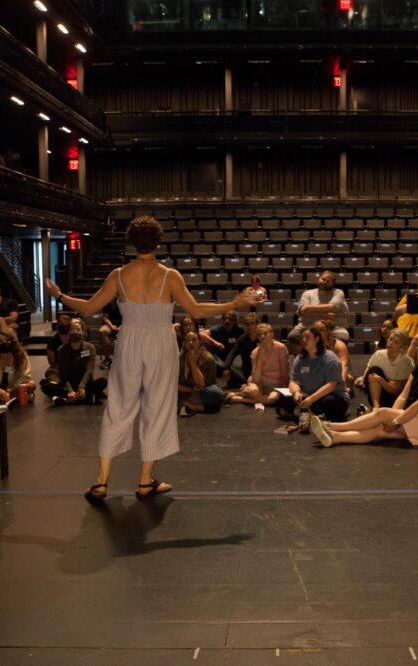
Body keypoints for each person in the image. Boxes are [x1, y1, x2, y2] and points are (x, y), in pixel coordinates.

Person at [45, 215, 260, 503]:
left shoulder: (118, 275)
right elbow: (196, 311)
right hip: (160, 342)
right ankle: (145, 482)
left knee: (118, 407)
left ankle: (101, 483)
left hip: (129, 341)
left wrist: (60, 295)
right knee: (157, 408)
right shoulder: (170, 276)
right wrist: (236, 303)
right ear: (158, 242)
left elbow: (89, 307)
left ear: (131, 242)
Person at [309, 332, 418, 448]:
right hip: (416, 418)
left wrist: (396, 421)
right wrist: (392, 418)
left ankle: (331, 426)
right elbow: (403, 396)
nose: (417, 348)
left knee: (382, 412)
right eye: (417, 345)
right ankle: (335, 437)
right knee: (379, 429)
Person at [278, 326, 350, 422]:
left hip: (331, 396)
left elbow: (331, 385)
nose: (304, 340)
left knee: (330, 402)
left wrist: (311, 399)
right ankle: (309, 413)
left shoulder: (330, 358)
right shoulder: (300, 358)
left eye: (307, 337)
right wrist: (296, 393)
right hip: (308, 397)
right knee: (282, 398)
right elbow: (293, 381)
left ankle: (300, 412)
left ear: (317, 339)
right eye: (302, 337)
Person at [43, 319, 108, 406]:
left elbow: (89, 371)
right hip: (68, 385)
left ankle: (68, 400)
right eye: (72, 330)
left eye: (78, 330)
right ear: (69, 333)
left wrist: (81, 387)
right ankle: (82, 398)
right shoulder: (61, 350)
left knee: (103, 381)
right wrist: (70, 391)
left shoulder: (90, 348)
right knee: (46, 387)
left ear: (83, 332)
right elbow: (63, 374)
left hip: (85, 384)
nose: (75, 332)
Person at [225, 323, 289, 406]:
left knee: (272, 399)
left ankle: (240, 399)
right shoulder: (255, 352)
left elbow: (284, 372)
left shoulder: (281, 348)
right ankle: (253, 394)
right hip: (259, 382)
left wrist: (287, 387)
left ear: (272, 334)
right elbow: (256, 378)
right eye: (259, 335)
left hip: (276, 383)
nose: (262, 336)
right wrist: (260, 354)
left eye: (265, 333)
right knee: (253, 392)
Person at [354, 328, 414, 414]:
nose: (390, 343)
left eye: (396, 342)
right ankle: (376, 407)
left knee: (376, 375)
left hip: (395, 398)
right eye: (390, 339)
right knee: (374, 370)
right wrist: (365, 379)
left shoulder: (405, 361)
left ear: (401, 347)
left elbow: (397, 391)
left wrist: (380, 380)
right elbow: (368, 372)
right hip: (375, 392)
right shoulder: (379, 354)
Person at [0, 318, 36, 405]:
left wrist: (12, 389)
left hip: (14, 387)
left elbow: (24, 375)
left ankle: (10, 397)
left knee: (32, 384)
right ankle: (1, 397)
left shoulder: (20, 354)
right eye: (0, 341)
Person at [291, 271, 350, 342]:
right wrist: (326, 315)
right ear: (319, 278)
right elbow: (302, 311)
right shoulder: (307, 293)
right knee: (293, 336)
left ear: (333, 283)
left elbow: (332, 307)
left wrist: (308, 308)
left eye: (328, 281)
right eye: (323, 279)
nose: (324, 282)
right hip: (308, 326)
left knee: (342, 337)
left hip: (334, 327)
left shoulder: (338, 292)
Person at [177, 331, 221, 415]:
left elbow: (202, 386)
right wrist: (190, 390)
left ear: (200, 342)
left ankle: (187, 405)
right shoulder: (179, 358)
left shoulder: (208, 358)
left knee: (215, 395)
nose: (190, 343)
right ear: (184, 343)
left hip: (201, 394)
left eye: (194, 340)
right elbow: (173, 384)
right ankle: (189, 406)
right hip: (182, 393)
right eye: (187, 340)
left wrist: (193, 364)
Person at [314, 319, 354, 393]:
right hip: (317, 373)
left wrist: (342, 381)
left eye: (321, 330)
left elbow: (344, 365)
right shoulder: (310, 345)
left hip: (336, 373)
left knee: (348, 379)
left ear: (328, 332)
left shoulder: (339, 345)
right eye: (315, 330)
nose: (318, 333)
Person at [222, 313, 260, 387]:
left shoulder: (261, 338)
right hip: (246, 370)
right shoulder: (242, 339)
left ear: (257, 324)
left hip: (260, 370)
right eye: (247, 324)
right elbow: (232, 353)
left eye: (252, 323)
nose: (250, 326)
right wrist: (226, 368)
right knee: (232, 380)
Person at [98, 298, 122, 369]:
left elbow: (129, 318)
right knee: (102, 331)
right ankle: (107, 359)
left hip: (124, 326)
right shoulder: (109, 302)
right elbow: (105, 317)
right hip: (110, 326)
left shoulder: (128, 302)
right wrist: (111, 326)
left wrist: (122, 326)